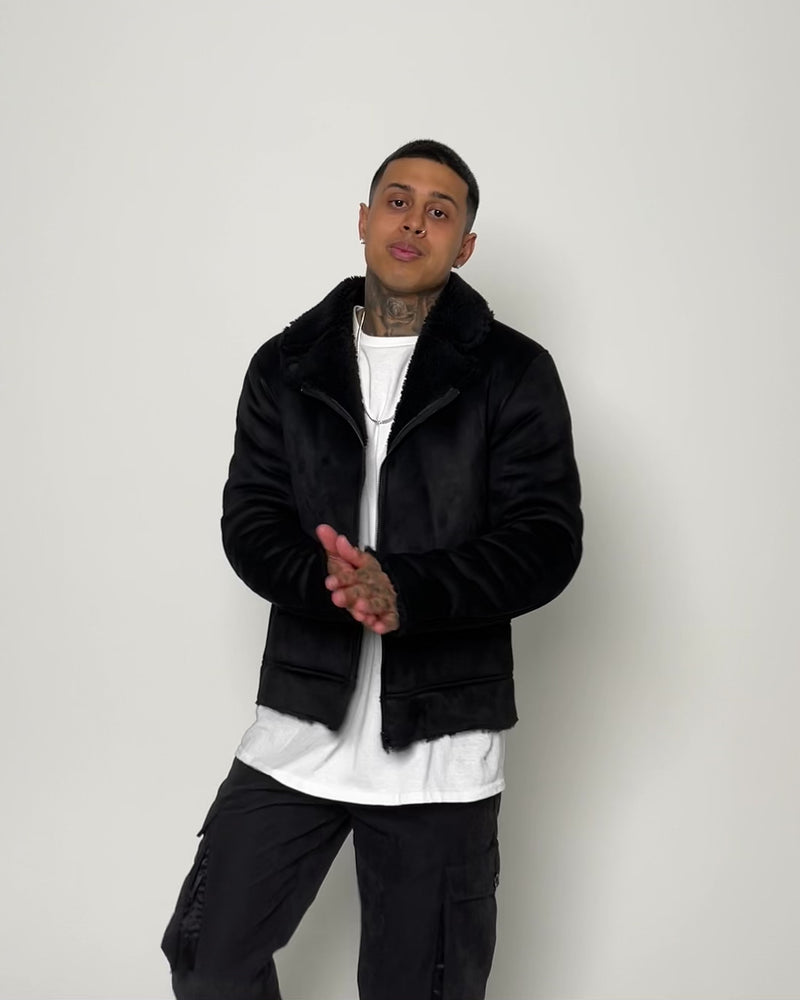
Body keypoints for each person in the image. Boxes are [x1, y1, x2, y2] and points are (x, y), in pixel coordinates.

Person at [161, 139, 582, 1000]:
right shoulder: (286, 366)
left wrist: (408, 590)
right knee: (209, 960)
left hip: (440, 748)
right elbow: (250, 520)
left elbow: (547, 541)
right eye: (398, 200)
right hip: (300, 727)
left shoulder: (514, 373)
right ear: (362, 220)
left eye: (440, 211)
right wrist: (330, 582)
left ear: (464, 245)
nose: (413, 222)